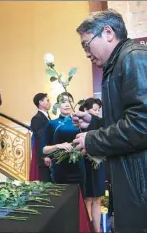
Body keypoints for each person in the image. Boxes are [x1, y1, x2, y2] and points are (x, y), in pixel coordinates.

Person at [73, 9, 147, 232]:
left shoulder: (134, 57)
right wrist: (94, 124)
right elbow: (128, 120)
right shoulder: (116, 64)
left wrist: (93, 140)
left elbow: (142, 125)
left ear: (107, 32)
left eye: (87, 45)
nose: (86, 53)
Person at [43, 92, 86, 194]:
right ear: (58, 105)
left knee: (79, 199)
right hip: (60, 168)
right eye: (63, 102)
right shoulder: (52, 124)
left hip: (78, 167)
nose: (67, 104)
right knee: (62, 199)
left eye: (69, 102)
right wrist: (59, 146)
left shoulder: (80, 122)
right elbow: (44, 149)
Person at [79, 98, 105, 232]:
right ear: (85, 110)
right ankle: (89, 229)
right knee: (88, 199)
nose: (96, 112)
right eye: (94, 109)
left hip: (98, 164)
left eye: (98, 110)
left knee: (98, 198)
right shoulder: (79, 124)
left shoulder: (100, 124)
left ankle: (97, 229)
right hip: (85, 164)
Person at [30, 93, 52, 182]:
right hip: (44, 156)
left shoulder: (46, 116)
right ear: (41, 102)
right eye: (47, 100)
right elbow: (40, 139)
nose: (49, 103)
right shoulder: (37, 118)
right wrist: (45, 156)